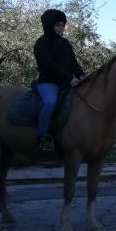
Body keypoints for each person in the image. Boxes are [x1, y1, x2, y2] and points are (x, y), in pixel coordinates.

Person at [33, 9, 84, 151]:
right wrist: (69, 78)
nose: (61, 28)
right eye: (58, 25)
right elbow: (49, 65)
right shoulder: (41, 43)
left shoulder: (65, 43)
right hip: (48, 82)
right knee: (50, 102)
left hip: (66, 81)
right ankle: (42, 136)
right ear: (49, 25)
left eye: (63, 25)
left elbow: (73, 63)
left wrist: (81, 75)